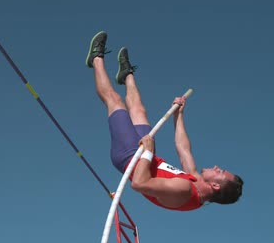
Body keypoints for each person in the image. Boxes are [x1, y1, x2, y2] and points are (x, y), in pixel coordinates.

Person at [85, 31, 243, 211]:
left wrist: (147, 152)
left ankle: (96, 58)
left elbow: (139, 183)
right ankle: (127, 75)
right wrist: (179, 115)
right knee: (139, 110)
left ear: (215, 186)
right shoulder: (194, 182)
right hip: (145, 152)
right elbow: (183, 149)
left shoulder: (184, 190)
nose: (216, 167)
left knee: (115, 101)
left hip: (129, 156)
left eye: (220, 172)